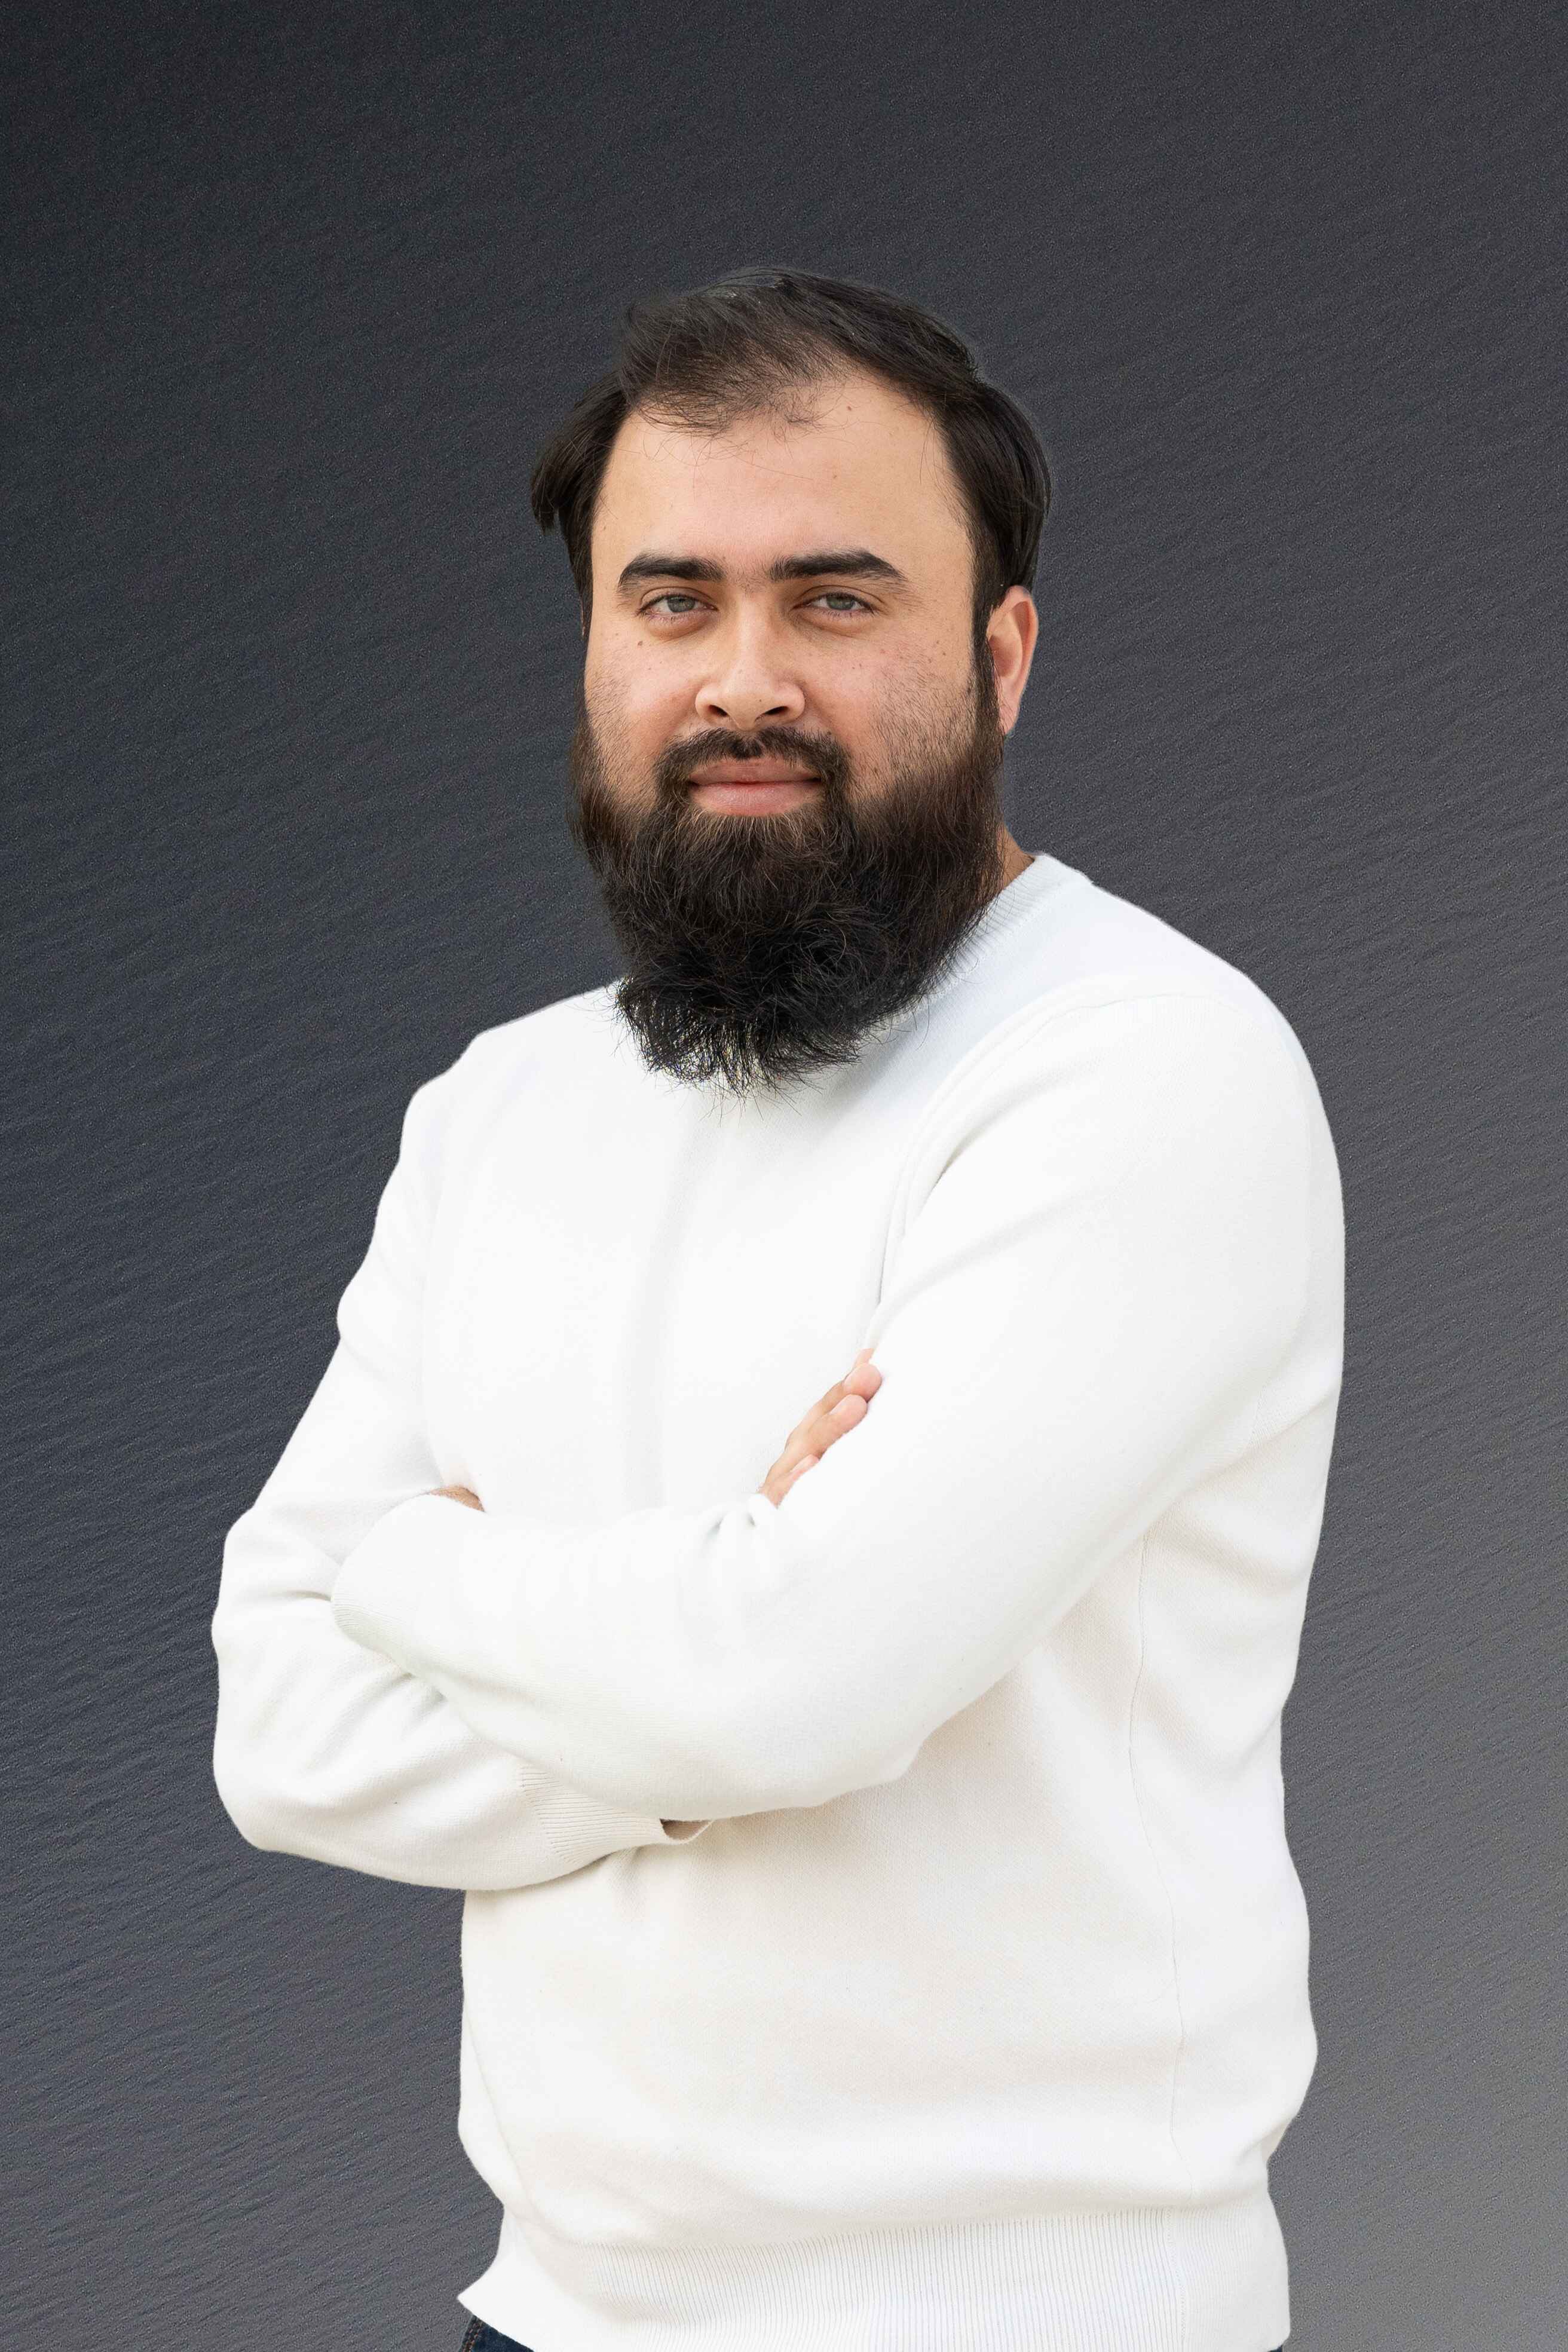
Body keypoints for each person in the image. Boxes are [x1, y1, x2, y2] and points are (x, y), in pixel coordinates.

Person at [211, 268, 1336, 2352]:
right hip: (546, 2316)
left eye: (835, 600)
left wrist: (416, 1571)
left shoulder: (1142, 1067)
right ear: (597, 650)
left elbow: (788, 1689)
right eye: (673, 602)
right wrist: (713, 1645)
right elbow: (278, 1731)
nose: (745, 679)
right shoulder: (503, 1108)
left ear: (1001, 654)